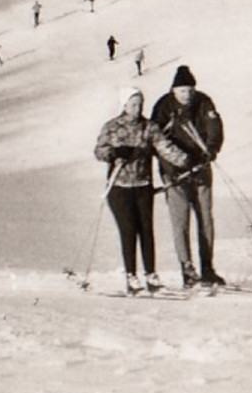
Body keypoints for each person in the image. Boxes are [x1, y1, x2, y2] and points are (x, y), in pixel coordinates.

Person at [94, 86, 190, 294]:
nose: (137, 108)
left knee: (146, 231)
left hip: (143, 186)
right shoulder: (111, 127)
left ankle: (151, 276)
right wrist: (114, 152)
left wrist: (185, 161)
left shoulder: (149, 127)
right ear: (124, 105)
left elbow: (164, 148)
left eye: (140, 104)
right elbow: (99, 151)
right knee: (129, 230)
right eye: (133, 104)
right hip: (119, 188)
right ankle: (131, 277)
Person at [150, 65, 226, 289]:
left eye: (190, 90)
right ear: (174, 91)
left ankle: (208, 269)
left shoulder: (203, 102)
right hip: (174, 173)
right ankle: (187, 269)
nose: (187, 95)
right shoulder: (164, 106)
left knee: (205, 220)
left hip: (201, 170)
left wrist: (211, 149)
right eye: (182, 91)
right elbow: (157, 140)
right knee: (180, 222)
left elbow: (215, 127)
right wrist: (172, 167)